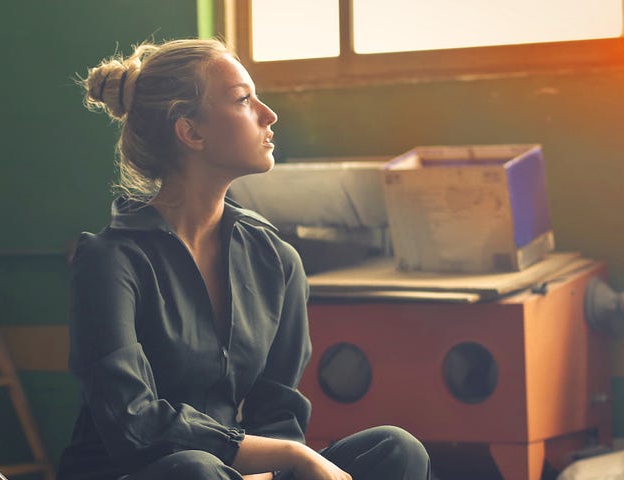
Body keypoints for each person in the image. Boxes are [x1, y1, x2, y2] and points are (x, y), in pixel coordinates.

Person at [58, 38, 430, 480]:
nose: (268, 114)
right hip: (146, 473)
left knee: (395, 449)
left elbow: (277, 410)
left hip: (240, 473)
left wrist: (271, 468)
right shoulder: (108, 261)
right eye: (243, 99)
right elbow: (134, 424)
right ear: (191, 132)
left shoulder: (275, 260)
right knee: (194, 471)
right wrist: (289, 458)